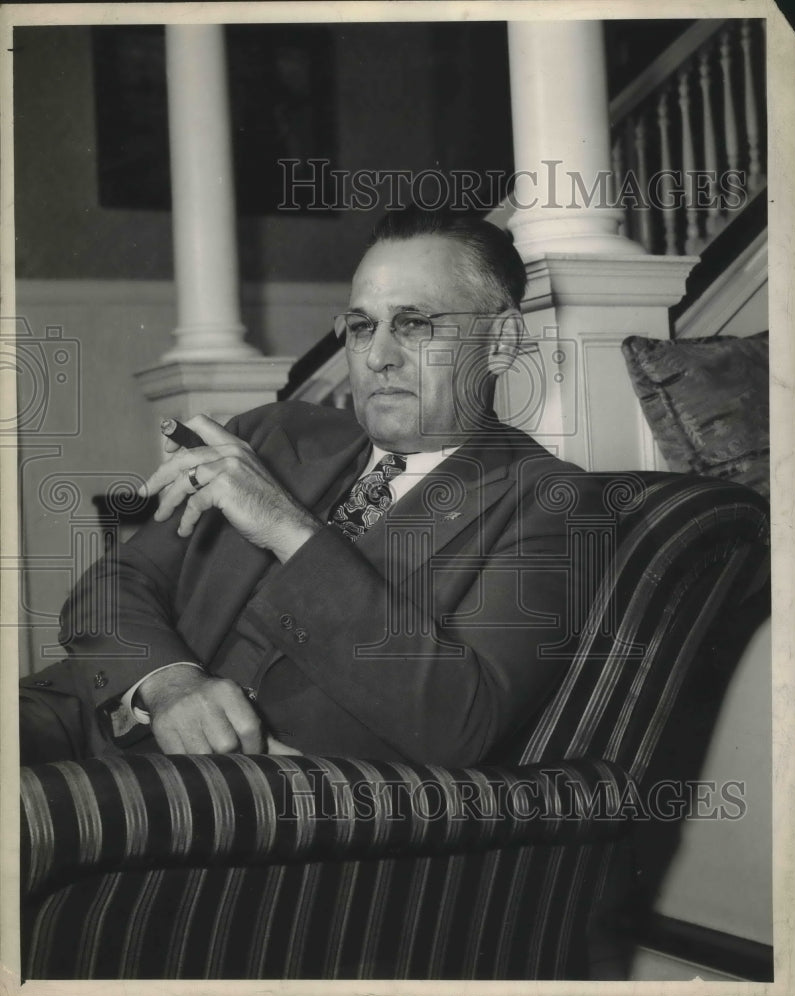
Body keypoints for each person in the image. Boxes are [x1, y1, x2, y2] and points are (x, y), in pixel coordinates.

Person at [20, 208, 603, 767]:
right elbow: (112, 586)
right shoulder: (271, 434)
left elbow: (460, 723)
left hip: (252, 798)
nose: (377, 357)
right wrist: (170, 682)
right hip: (87, 714)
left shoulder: (549, 502)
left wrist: (285, 526)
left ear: (500, 343)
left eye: (414, 323)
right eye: (360, 326)